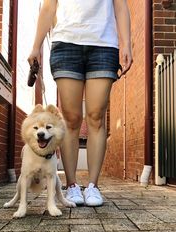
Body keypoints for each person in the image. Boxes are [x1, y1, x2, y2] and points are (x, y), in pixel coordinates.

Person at [28, 0, 133, 206]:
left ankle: (93, 186)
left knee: (96, 116)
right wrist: (36, 46)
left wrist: (126, 43)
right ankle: (72, 185)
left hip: (103, 46)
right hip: (66, 44)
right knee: (71, 118)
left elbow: (121, 6)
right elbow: (48, 7)